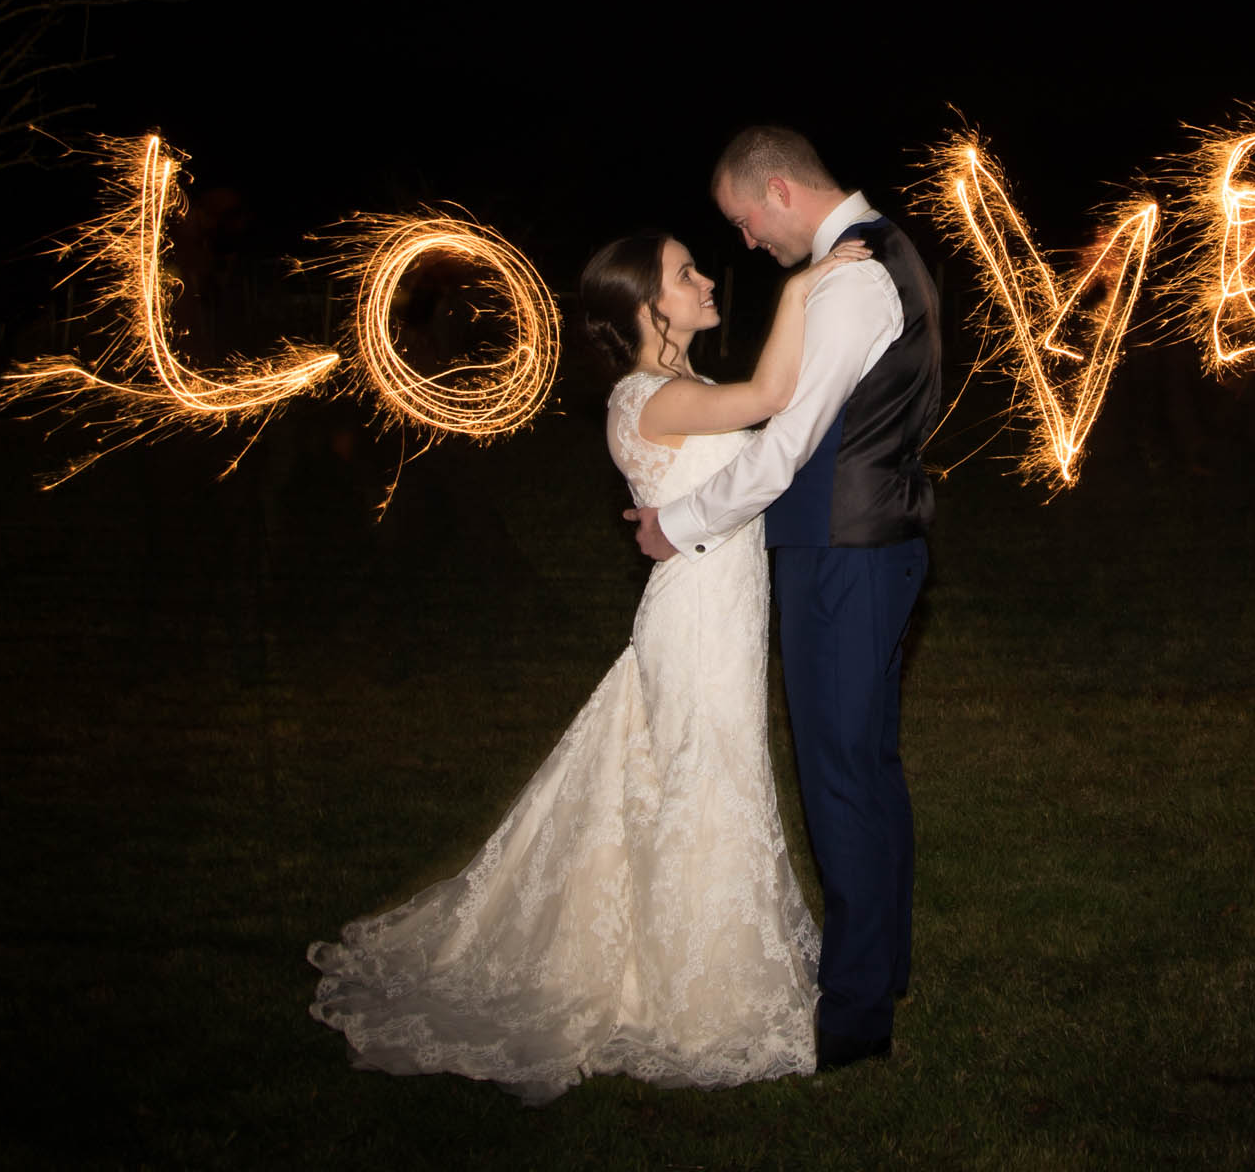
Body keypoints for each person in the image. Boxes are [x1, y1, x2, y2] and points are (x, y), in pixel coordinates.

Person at [305, 227, 870, 1103]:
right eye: (687, 274)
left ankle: (687, 956)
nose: (705, 279)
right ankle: (701, 994)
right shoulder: (647, 397)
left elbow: (754, 454)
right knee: (703, 774)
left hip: (719, 610)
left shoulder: (678, 388)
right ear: (649, 308)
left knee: (692, 770)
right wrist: (801, 290)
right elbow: (773, 393)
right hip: (697, 622)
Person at [629, 125, 940, 1070]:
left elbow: (787, 444)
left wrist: (679, 524)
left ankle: (850, 1020)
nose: (749, 243)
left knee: (842, 777)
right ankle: (880, 969)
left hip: (843, 553)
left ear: (776, 191)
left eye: (743, 222)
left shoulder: (852, 278)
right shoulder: (886, 253)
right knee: (868, 767)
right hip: (870, 546)